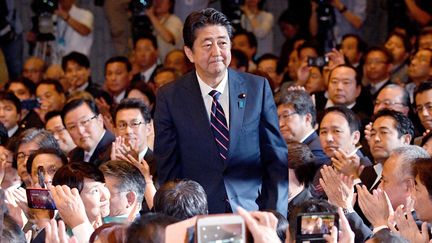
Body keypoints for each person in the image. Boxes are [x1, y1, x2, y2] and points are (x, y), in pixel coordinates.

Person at [154, 8, 288, 214]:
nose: (216, 52)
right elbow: (168, 169)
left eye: (222, 43)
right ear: (189, 53)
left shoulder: (256, 88)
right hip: (198, 216)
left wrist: (276, 215)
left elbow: (275, 158)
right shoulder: (170, 97)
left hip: (252, 212)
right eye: (207, 45)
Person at [277, 90, 328, 164]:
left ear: (307, 118)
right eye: (277, 118)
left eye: (286, 116)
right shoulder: (288, 148)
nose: (280, 124)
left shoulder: (317, 151)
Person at [61, 98, 115, 166]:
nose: (80, 131)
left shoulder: (114, 151)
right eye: (72, 127)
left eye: (84, 122)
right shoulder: (73, 156)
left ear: (100, 120)